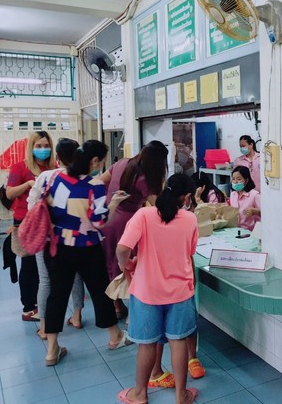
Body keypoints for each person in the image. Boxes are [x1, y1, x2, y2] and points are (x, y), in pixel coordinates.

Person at [44, 140, 130, 367]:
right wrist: (114, 203)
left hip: (58, 245)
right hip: (87, 247)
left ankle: (52, 349)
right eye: (101, 162)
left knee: (57, 294)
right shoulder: (94, 185)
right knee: (100, 290)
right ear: (94, 161)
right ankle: (115, 336)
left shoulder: (55, 178)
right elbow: (99, 221)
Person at [116, 173, 199, 404]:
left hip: (147, 292)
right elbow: (189, 253)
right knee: (178, 341)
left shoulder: (144, 215)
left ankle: (140, 393)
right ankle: (181, 395)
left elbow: (122, 248)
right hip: (180, 291)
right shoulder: (190, 219)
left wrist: (126, 265)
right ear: (187, 197)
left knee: (147, 344)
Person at [100, 140, 168, 319]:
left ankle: (116, 306)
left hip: (107, 218)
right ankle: (135, 311)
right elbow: (160, 206)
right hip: (127, 223)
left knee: (111, 263)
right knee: (130, 266)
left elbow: (99, 182)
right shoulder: (144, 179)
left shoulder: (122, 163)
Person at [27, 138, 84, 339]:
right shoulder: (83, 178)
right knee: (76, 276)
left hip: (47, 237)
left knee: (45, 280)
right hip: (73, 237)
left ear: (57, 157)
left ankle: (44, 327)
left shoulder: (46, 176)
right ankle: (77, 316)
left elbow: (32, 205)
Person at [6, 131, 56, 321]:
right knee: (29, 264)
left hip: (47, 221)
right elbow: (9, 194)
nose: (43, 149)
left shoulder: (53, 168)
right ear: (31, 147)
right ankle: (28, 307)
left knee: (45, 265)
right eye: (38, 146)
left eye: (46, 146)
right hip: (25, 222)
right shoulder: (20, 167)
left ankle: (41, 302)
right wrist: (28, 184)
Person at [229, 165, 261, 231]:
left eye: (239, 179)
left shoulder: (254, 195)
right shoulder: (233, 194)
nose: (235, 182)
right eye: (233, 179)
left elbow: (267, 214)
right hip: (236, 230)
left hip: (251, 232)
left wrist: (257, 212)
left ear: (246, 180)